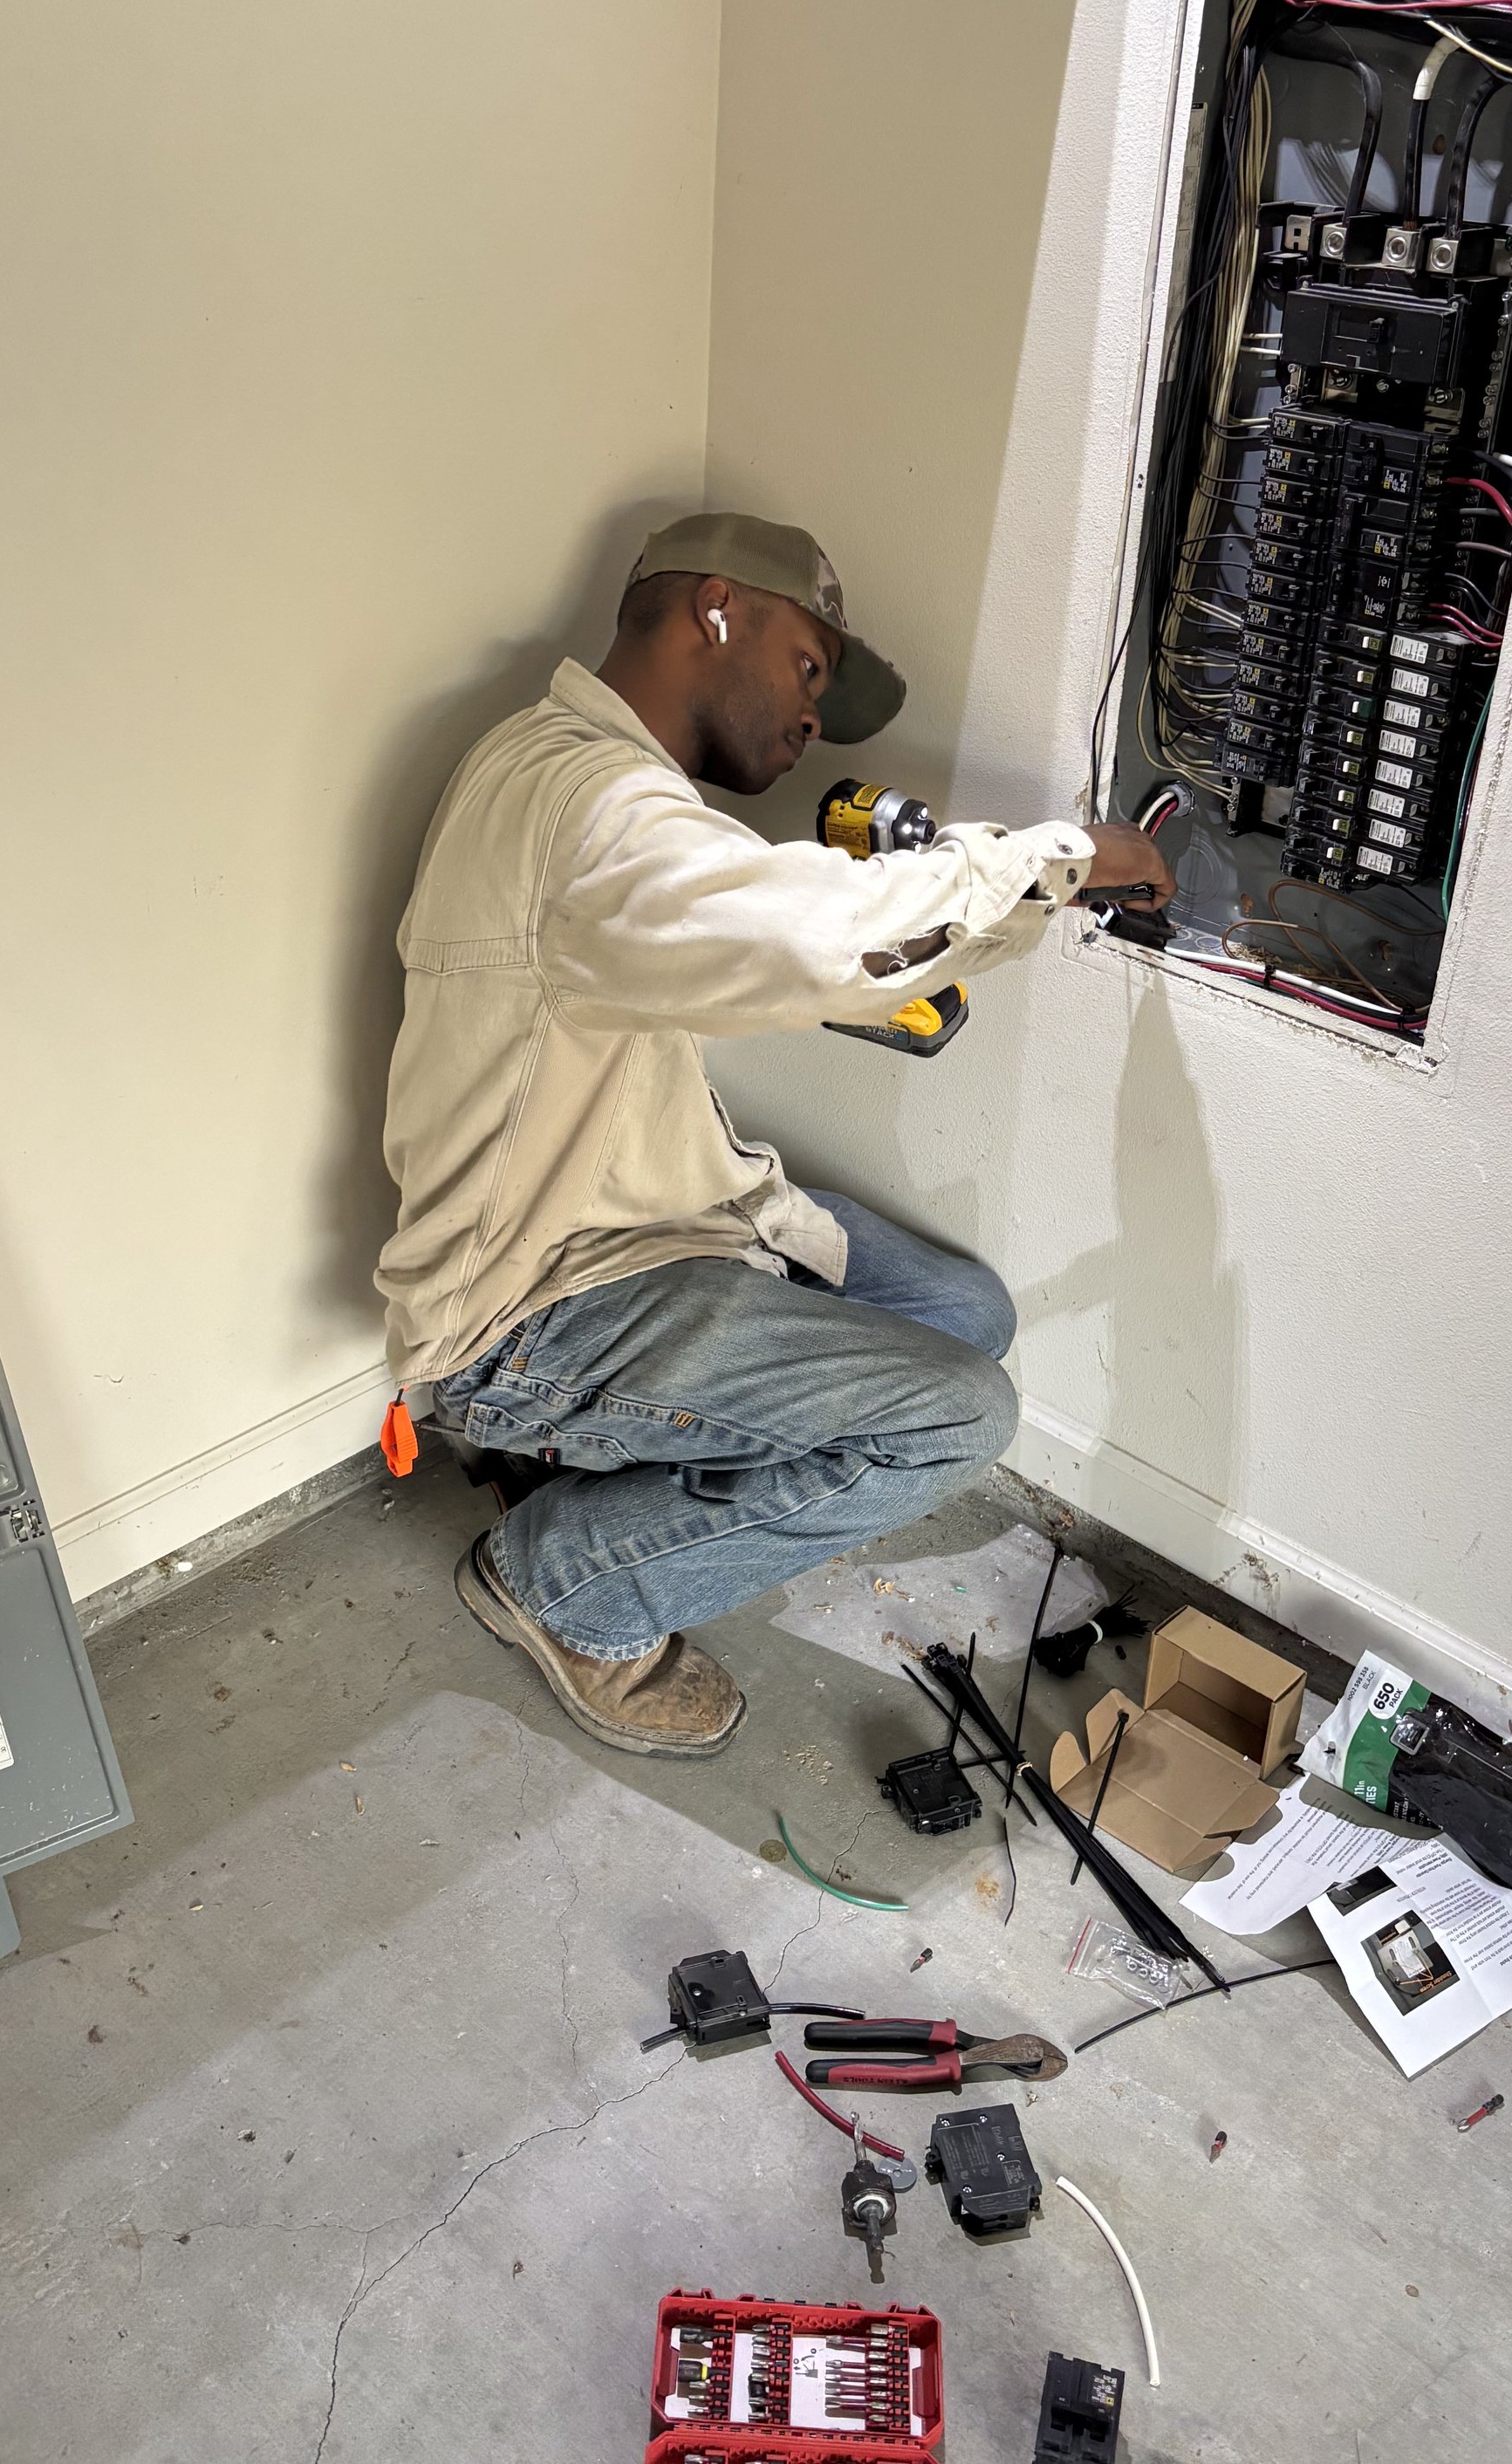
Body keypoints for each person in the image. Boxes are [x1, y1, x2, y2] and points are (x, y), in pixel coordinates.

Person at [374, 513, 1174, 1760]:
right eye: (809, 668)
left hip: (650, 1225)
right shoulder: (588, 805)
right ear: (715, 610)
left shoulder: (589, 780)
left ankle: (589, 1475)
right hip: (531, 1307)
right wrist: (1058, 861)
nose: (813, 720)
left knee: (966, 1315)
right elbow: (807, 936)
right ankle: (565, 1582)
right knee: (960, 1415)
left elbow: (738, 935)